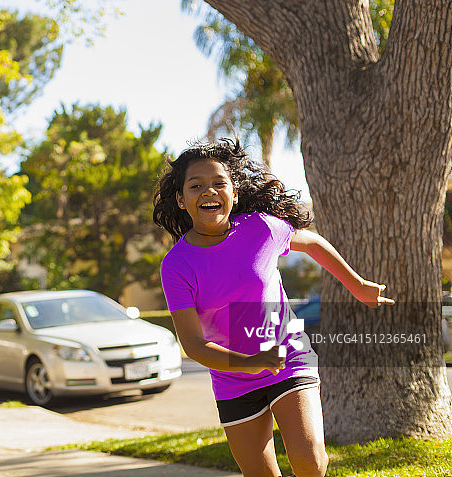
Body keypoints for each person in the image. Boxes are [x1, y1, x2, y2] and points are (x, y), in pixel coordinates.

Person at [152, 139, 393, 477]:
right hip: (233, 378)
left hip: (287, 358)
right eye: (196, 186)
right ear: (181, 199)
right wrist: (249, 364)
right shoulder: (177, 265)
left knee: (310, 462)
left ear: (234, 193)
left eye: (219, 183)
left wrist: (357, 285)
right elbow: (192, 344)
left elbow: (312, 243)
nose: (209, 191)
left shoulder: (260, 227)